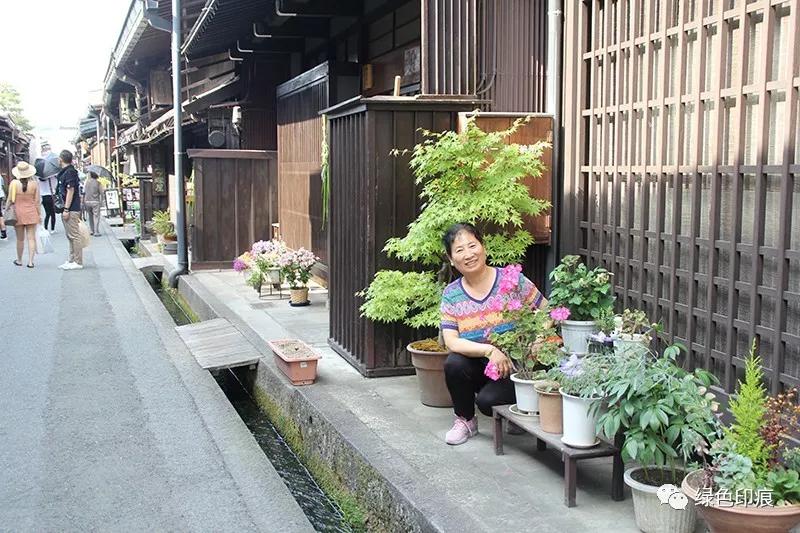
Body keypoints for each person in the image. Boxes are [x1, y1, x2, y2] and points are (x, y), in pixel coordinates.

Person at [439, 223, 547, 445]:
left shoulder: (511, 279)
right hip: (481, 363)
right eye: (459, 250)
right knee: (454, 364)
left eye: (472, 245)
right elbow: (451, 342)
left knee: (489, 403)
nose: (468, 254)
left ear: (483, 247)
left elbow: (547, 311)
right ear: (451, 259)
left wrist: (538, 341)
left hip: (518, 364)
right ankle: (465, 421)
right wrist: (490, 350)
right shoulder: (451, 294)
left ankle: (521, 409)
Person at [7, 162, 41, 267]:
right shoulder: (34, 184)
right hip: (31, 213)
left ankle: (19, 260)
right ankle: (30, 262)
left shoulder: (14, 183)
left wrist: (7, 209)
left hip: (18, 213)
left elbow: (9, 200)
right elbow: (37, 202)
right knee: (31, 238)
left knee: (20, 239)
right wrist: (39, 215)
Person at [56, 150, 83, 270]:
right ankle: (72, 259)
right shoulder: (66, 172)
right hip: (69, 207)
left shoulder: (70, 172)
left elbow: (70, 190)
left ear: (61, 159)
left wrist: (66, 209)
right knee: (70, 235)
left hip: (71, 208)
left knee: (74, 235)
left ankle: (78, 261)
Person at [36, 157, 57, 233]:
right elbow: (55, 186)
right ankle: (52, 229)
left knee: (47, 213)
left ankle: (45, 227)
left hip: (43, 198)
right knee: (53, 213)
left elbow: (38, 188)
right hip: (51, 196)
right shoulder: (52, 178)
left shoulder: (39, 179)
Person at [83, 171, 105, 236]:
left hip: (87, 201)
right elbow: (102, 193)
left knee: (90, 216)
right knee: (96, 216)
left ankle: (91, 230)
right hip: (95, 201)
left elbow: (84, 192)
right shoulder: (98, 183)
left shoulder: (86, 182)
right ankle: (96, 231)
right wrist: (102, 200)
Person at [0, 174, 6, 240]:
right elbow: (3, 186)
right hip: (1, 195)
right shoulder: (0, 176)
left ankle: (3, 232)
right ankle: (3, 232)